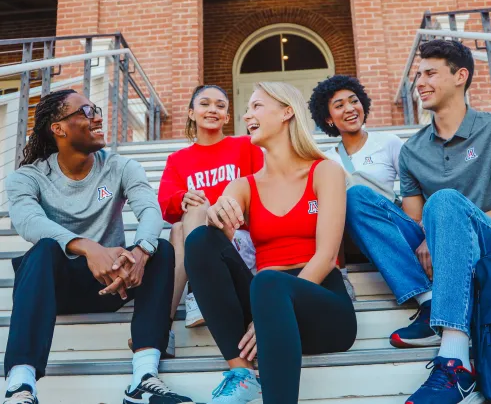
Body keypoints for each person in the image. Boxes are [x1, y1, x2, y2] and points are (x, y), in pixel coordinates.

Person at [347, 40, 491, 404]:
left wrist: (446, 224)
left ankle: (455, 361)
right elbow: (415, 224)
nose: (420, 82)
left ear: (460, 76)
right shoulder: (413, 149)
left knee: (445, 202)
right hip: (439, 254)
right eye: (418, 75)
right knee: (355, 196)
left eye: (431, 73)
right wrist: (433, 234)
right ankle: (430, 299)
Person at [3, 90, 194, 404]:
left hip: (115, 283)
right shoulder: (28, 176)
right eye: (86, 110)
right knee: (43, 250)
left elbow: (149, 210)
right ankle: (20, 385)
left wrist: (140, 253)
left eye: (96, 108)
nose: (98, 116)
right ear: (58, 128)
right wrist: (90, 248)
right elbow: (27, 221)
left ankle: (144, 378)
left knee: (161, 249)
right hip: (54, 288)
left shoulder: (120, 166)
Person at [184, 82, 357, 404]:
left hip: (321, 303)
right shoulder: (244, 185)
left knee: (269, 284)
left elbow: (327, 255)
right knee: (200, 239)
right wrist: (215, 212)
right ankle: (241, 372)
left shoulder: (325, 171)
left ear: (287, 112)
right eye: (248, 109)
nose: (247, 115)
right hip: (264, 300)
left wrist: (268, 313)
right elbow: (214, 240)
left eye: (257, 106)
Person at [156, 85, 263, 354]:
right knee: (184, 220)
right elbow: (166, 204)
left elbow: (264, 190)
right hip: (199, 242)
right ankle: (162, 326)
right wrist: (184, 198)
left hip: (238, 239)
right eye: (205, 104)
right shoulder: (178, 159)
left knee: (202, 209)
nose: (212, 110)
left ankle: (188, 299)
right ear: (192, 113)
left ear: (227, 116)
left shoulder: (245, 147)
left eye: (220, 105)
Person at [308, 75, 404, 298]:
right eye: (339, 105)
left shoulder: (388, 142)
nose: (350, 108)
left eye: (354, 101)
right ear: (329, 118)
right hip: (350, 237)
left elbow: (412, 189)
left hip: (391, 226)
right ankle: (339, 273)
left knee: (354, 195)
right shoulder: (326, 160)